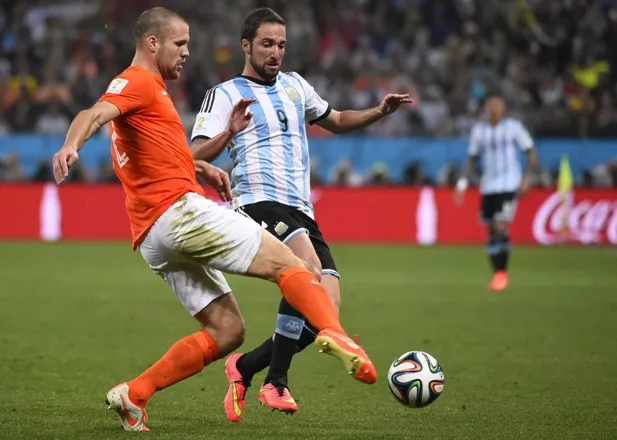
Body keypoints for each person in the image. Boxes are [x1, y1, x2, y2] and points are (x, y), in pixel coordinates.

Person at [51, 7, 376, 432]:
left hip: (151, 235)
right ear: (153, 43)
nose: (187, 52)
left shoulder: (153, 95)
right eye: (180, 44)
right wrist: (70, 145)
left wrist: (205, 166)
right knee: (293, 267)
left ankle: (134, 394)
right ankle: (334, 332)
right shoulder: (137, 82)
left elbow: (171, 157)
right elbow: (92, 114)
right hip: (179, 212)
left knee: (228, 331)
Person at [190, 7, 411, 421]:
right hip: (257, 202)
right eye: (267, 44)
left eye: (281, 45)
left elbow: (339, 119)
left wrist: (380, 112)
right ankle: (277, 382)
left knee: (324, 311)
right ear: (246, 46)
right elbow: (192, 154)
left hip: (301, 210)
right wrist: (229, 133)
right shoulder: (224, 93)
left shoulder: (295, 86)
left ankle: (244, 367)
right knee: (307, 273)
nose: (276, 53)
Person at [454, 92, 541, 291]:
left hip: (509, 185)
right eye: (490, 105)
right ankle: (497, 274)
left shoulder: (514, 128)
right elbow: (471, 159)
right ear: (485, 108)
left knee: (501, 226)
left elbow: (530, 152)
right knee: (492, 231)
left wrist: (528, 178)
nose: (493, 108)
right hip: (489, 186)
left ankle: (502, 274)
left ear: (504, 108)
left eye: (497, 104)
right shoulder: (479, 131)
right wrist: (462, 184)